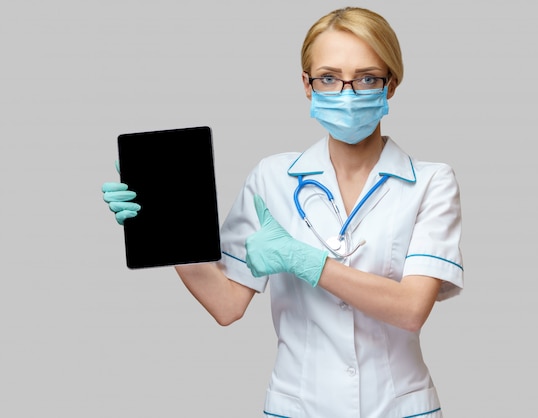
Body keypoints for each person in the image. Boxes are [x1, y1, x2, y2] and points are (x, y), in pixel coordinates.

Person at [102, 7, 463, 417]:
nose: (347, 93)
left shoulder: (431, 182)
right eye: (329, 77)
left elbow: (411, 310)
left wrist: (305, 260)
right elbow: (226, 306)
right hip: (297, 408)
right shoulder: (272, 178)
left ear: (391, 85)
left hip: (399, 408)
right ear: (307, 86)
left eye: (366, 78)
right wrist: (166, 228)